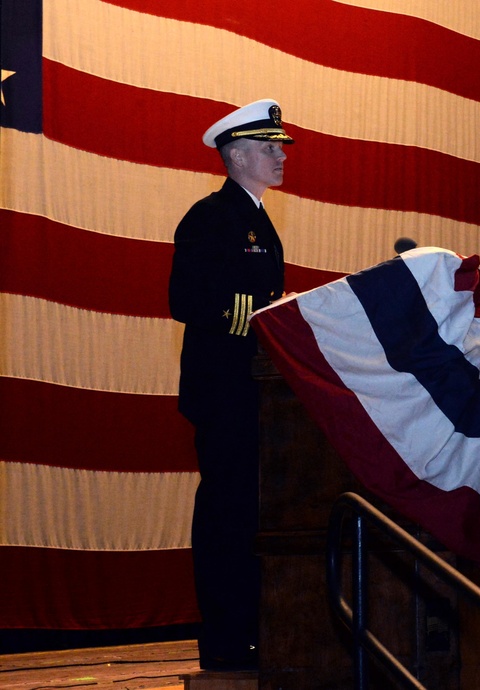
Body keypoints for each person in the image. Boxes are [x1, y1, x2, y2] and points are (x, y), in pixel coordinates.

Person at [169, 99, 294, 670]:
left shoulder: (261, 220)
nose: (280, 156)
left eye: (280, 148)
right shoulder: (211, 216)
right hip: (224, 390)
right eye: (269, 148)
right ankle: (224, 641)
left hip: (256, 393)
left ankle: (254, 629)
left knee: (252, 517)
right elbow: (186, 300)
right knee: (226, 516)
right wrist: (265, 315)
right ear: (236, 155)